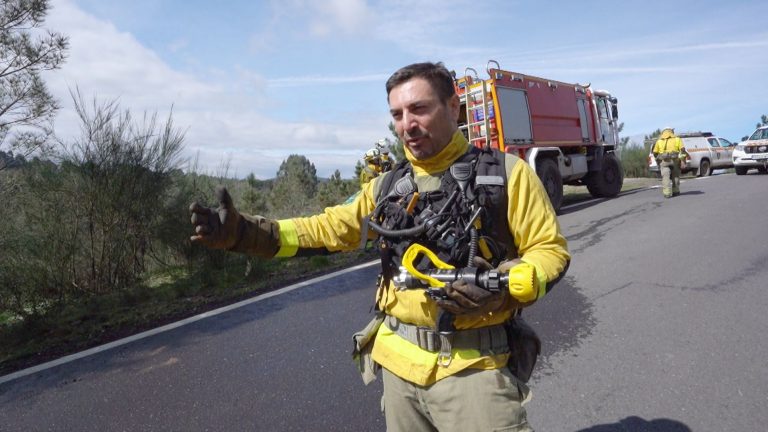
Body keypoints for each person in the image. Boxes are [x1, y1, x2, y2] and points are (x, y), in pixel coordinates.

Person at [189, 62, 570, 432]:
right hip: (399, 369)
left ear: (453, 107)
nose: (407, 124)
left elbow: (549, 251)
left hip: (475, 369)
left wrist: (498, 285)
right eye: (398, 114)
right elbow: (327, 229)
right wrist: (244, 233)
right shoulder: (387, 188)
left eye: (419, 108)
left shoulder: (505, 175)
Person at [652, 127, 687, 198]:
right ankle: (676, 191)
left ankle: (667, 193)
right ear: (671, 132)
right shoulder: (677, 139)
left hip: (664, 161)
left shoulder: (659, 141)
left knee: (665, 177)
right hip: (675, 161)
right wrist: (683, 161)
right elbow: (682, 150)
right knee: (676, 176)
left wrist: (658, 161)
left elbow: (655, 153)